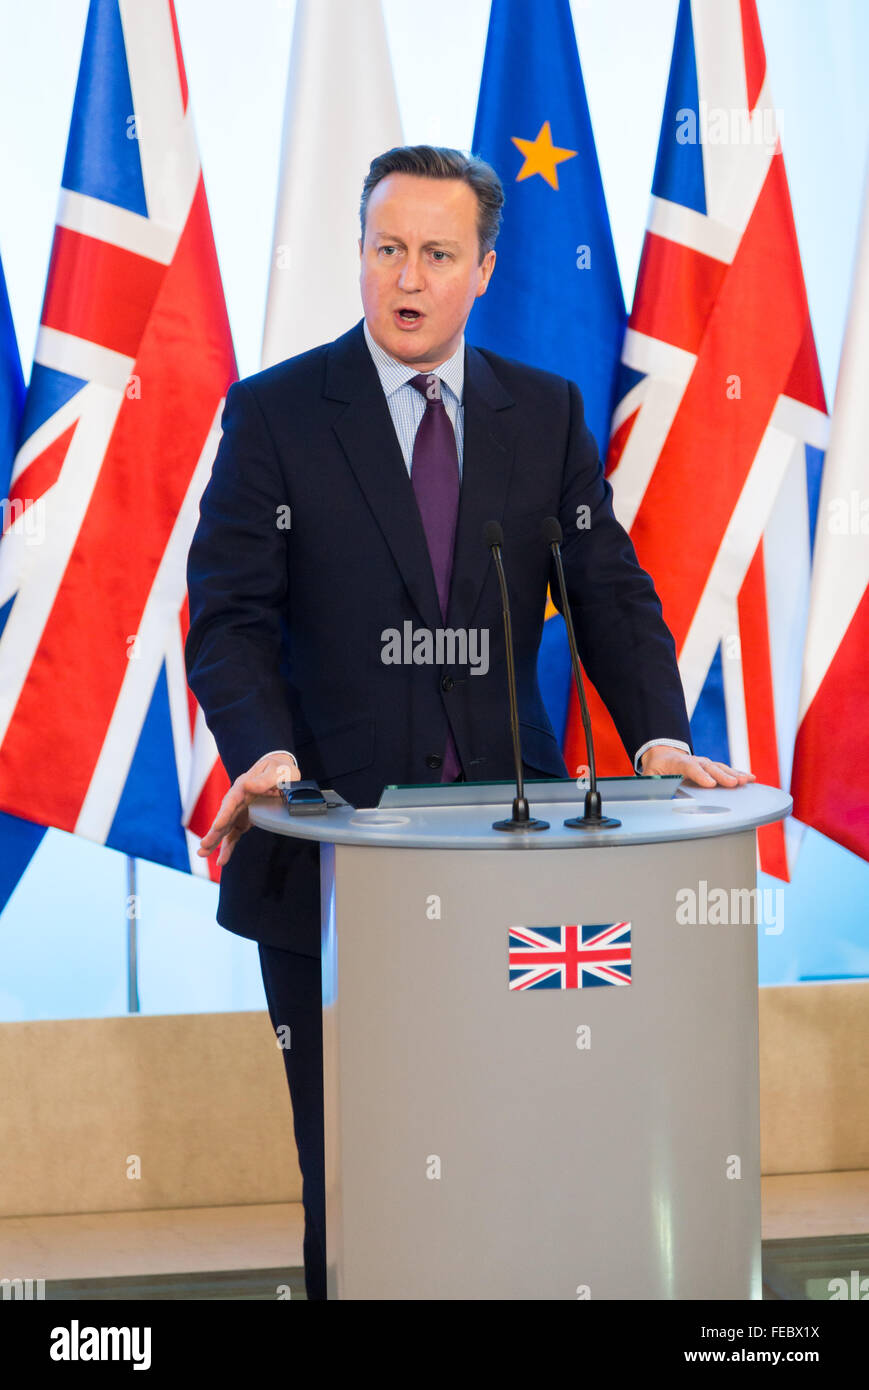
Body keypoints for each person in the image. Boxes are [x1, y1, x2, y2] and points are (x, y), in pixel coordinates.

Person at [185, 145, 754, 1300]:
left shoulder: (539, 414)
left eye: (437, 254)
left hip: (520, 871)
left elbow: (609, 590)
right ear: (358, 256)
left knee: (523, 1147)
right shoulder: (277, 413)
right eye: (386, 248)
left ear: (483, 269)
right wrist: (265, 753)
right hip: (334, 864)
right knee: (350, 1173)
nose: (407, 275)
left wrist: (656, 737)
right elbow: (229, 618)